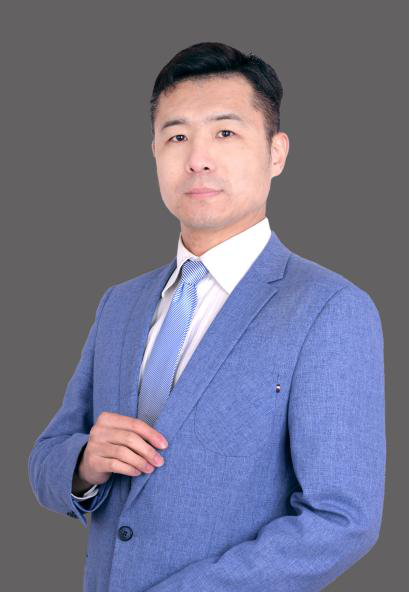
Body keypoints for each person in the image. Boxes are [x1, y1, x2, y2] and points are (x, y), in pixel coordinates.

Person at [28, 41, 386, 592]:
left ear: (276, 153)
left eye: (225, 133)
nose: (197, 158)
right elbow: (47, 459)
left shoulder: (328, 309)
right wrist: (83, 464)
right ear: (154, 152)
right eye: (177, 136)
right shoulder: (120, 304)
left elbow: (341, 520)